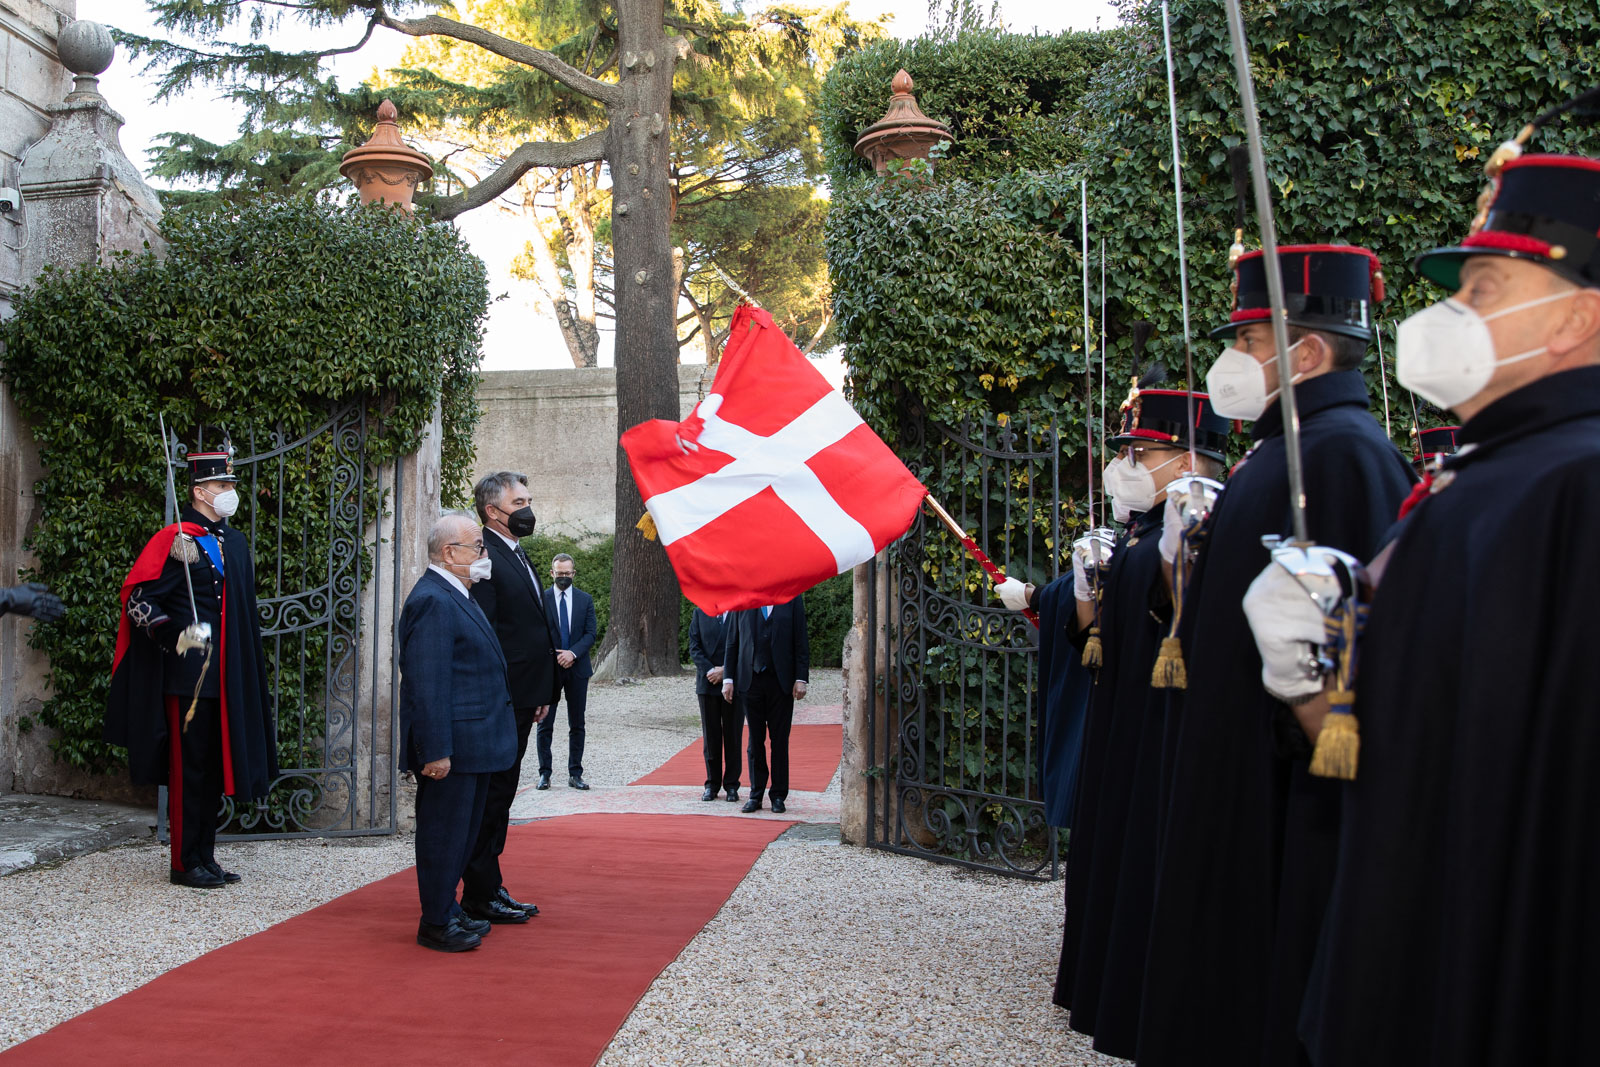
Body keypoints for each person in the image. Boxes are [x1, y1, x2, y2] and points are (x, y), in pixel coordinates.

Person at [1244, 150, 1600, 1066]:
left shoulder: (1579, 480)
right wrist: (1314, 677)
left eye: (1483, 287)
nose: (1453, 314)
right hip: (1423, 928)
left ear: (1578, 317)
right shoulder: (1494, 472)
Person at [1136, 245, 1414, 1067]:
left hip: (1284, 793)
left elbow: (1358, 659)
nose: (1237, 359)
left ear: (1309, 351)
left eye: (1253, 341)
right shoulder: (1279, 448)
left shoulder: (1342, 451)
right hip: (1238, 770)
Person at [1037, 382, 1229, 1059]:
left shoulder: (1196, 515)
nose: (1131, 462)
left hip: (1158, 716)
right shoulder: (1145, 524)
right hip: (1124, 714)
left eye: (1146, 450)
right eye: (1132, 450)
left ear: (1190, 453)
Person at [105, 444, 277, 889]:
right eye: (223, 485)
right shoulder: (174, 540)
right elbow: (138, 600)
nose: (229, 492)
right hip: (188, 677)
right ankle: (184, 862)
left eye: (230, 485)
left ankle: (207, 856)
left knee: (215, 769)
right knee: (190, 771)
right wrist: (172, 635)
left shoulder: (233, 543)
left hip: (227, 675)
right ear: (200, 491)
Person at [398, 511, 518, 952]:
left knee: (463, 835)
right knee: (444, 835)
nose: (484, 556)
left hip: (477, 744)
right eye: (478, 548)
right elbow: (427, 684)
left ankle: (448, 910)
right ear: (450, 553)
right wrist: (435, 751)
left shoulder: (457, 593)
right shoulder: (432, 598)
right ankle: (434, 921)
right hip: (455, 747)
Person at [461, 471, 556, 924]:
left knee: (503, 797)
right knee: (493, 797)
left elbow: (530, 628)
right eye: (519, 502)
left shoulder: (514, 551)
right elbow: (489, 635)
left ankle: (490, 884)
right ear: (492, 511)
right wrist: (508, 696)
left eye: (528, 500)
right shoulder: (485, 555)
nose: (527, 509)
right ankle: (479, 893)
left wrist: (540, 692)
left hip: (523, 697)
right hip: (501, 701)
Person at [722, 597, 808, 814]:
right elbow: (732, 641)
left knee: (780, 740)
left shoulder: (792, 598)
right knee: (755, 741)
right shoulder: (742, 599)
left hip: (781, 682)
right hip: (750, 681)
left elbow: (800, 640)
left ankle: (778, 795)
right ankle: (756, 793)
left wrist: (801, 678)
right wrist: (728, 679)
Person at [540, 552, 597, 790]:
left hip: (577, 667)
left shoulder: (585, 600)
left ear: (574, 573)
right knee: (545, 723)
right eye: (559, 573)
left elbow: (590, 634)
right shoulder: (541, 599)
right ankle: (544, 773)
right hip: (549, 669)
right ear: (552, 573)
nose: (563, 577)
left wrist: (571, 654)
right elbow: (537, 634)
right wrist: (557, 655)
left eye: (567, 573)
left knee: (577, 723)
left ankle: (575, 773)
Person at [688, 607, 741, 802]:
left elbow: (745, 645)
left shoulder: (740, 612)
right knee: (711, 736)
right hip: (707, 681)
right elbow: (694, 646)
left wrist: (726, 672)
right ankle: (712, 783)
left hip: (733, 682)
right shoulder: (700, 612)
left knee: (733, 734)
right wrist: (710, 670)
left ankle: (732, 785)